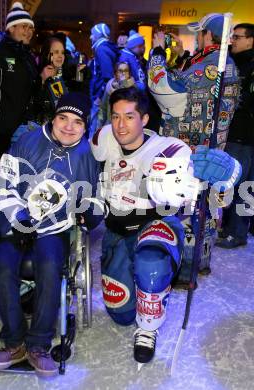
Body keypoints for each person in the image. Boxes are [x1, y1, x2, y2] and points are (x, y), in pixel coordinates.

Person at [90, 87, 241, 364]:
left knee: (151, 263)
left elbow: (192, 179)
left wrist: (225, 170)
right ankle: (138, 286)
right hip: (116, 230)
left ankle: (148, 326)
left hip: (153, 224)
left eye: (129, 117)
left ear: (144, 119)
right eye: (116, 117)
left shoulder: (168, 150)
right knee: (121, 315)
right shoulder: (103, 139)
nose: (121, 125)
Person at [0, 92, 103, 376]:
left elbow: (95, 198)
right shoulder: (27, 141)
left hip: (55, 227)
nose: (68, 127)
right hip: (16, 222)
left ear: (86, 126)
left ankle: (37, 344)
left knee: (50, 265)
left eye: (77, 122)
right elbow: (3, 185)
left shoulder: (86, 155)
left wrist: (92, 211)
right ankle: (14, 343)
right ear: (54, 117)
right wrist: (18, 219)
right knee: (1, 263)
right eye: (63, 118)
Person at [146, 13, 239, 282]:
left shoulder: (207, 67)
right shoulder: (225, 64)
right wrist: (179, 56)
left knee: (188, 208)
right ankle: (202, 261)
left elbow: (161, 86)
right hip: (213, 148)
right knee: (207, 206)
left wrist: (157, 52)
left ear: (208, 35)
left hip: (190, 152)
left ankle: (187, 270)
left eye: (200, 33)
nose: (198, 37)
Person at [0, 1, 39, 178]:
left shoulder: (28, 57)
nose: (29, 31)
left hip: (23, 130)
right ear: (11, 28)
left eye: (31, 28)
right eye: (24, 26)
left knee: (19, 177)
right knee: (0, 178)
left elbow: (30, 91)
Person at [216, 23, 254, 248]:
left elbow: (244, 101)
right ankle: (231, 229)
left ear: (250, 40)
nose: (233, 41)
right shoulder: (233, 62)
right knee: (233, 184)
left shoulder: (249, 66)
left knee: (243, 186)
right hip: (234, 133)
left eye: (238, 37)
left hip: (245, 136)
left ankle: (237, 233)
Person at [89, 23, 118, 137]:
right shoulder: (104, 48)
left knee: (96, 128)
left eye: (92, 34)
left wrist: (100, 97)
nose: (90, 37)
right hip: (101, 95)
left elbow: (107, 76)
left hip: (99, 96)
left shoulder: (101, 49)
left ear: (99, 35)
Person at [37, 36, 68, 124]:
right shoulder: (37, 76)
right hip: (41, 130)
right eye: (56, 52)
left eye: (62, 52)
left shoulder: (64, 78)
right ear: (47, 54)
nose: (60, 56)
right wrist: (41, 81)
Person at [97, 61, 135, 128]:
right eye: (120, 71)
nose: (123, 73)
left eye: (126, 71)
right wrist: (99, 128)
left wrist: (124, 83)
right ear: (115, 74)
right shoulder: (109, 88)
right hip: (109, 126)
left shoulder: (134, 89)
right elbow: (103, 109)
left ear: (129, 74)